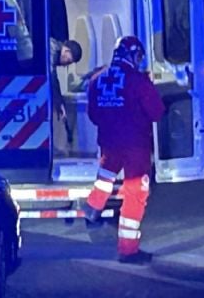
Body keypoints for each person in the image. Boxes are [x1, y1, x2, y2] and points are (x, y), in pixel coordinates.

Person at [82, 36, 165, 265]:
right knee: (136, 194)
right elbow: (157, 112)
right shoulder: (138, 82)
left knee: (106, 175)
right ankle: (128, 250)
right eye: (139, 56)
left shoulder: (96, 79)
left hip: (109, 142)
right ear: (132, 55)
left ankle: (93, 206)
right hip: (135, 145)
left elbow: (93, 115)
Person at [50, 38, 83, 122]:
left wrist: (60, 103)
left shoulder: (53, 47)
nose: (65, 65)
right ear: (66, 50)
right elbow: (52, 78)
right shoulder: (51, 49)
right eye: (68, 61)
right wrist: (60, 104)